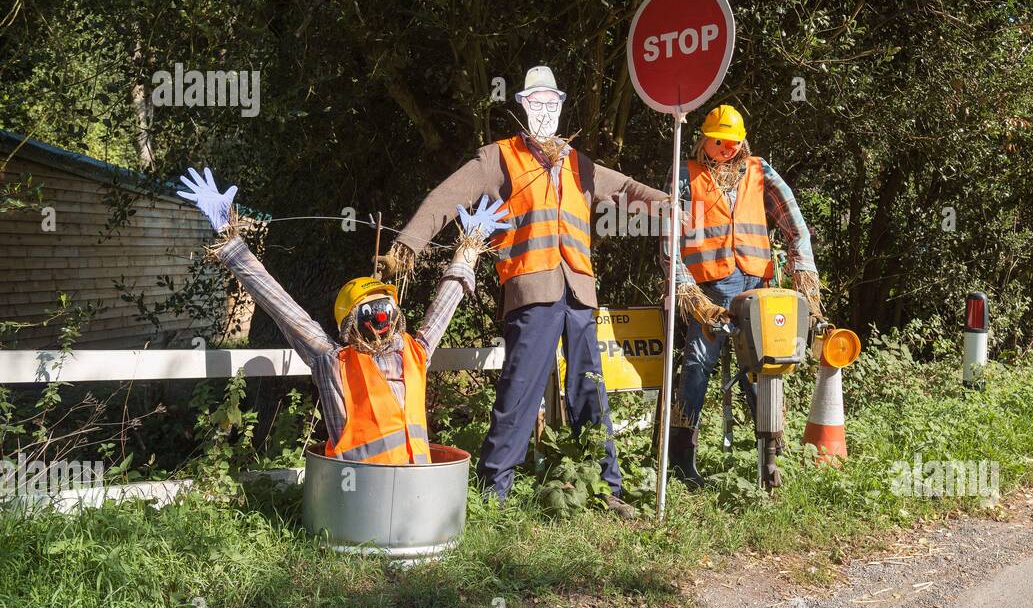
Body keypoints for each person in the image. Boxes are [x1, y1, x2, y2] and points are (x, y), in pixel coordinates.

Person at [377, 66, 672, 515]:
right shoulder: (500, 157)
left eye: (552, 104)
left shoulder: (578, 164)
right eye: (536, 103)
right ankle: (495, 490)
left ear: (560, 108)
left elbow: (627, 189)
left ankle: (606, 488)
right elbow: (446, 195)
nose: (545, 111)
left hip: (579, 292)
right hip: (532, 289)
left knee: (590, 388)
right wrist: (409, 242)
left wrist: (672, 206)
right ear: (523, 107)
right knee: (521, 390)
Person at [176, 166, 507, 464]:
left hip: (414, 500)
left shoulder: (415, 354)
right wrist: (230, 241)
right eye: (371, 309)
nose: (381, 316)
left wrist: (470, 247)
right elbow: (281, 305)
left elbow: (446, 303)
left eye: (385, 307)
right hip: (357, 502)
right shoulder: (333, 362)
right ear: (352, 322)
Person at [663, 103, 822, 489]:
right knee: (697, 369)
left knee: (763, 371)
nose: (727, 148)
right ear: (704, 138)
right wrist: (685, 288)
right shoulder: (684, 175)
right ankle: (681, 462)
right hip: (709, 290)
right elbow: (669, 237)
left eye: (733, 142)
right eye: (719, 141)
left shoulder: (759, 171)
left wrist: (805, 271)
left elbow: (794, 223)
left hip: (757, 289)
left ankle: (771, 461)